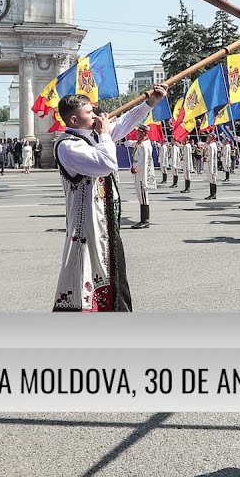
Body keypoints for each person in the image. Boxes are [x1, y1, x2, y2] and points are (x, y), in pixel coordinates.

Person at [52, 84, 167, 312]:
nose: (95, 115)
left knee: (115, 275)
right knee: (85, 276)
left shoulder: (94, 137)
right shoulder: (68, 146)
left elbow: (124, 123)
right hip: (87, 229)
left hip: (106, 223)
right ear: (74, 120)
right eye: (89, 112)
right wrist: (105, 134)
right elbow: (106, 164)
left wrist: (150, 102)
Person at [129, 126, 153, 229]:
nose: (137, 135)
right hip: (138, 174)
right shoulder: (140, 144)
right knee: (141, 197)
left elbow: (143, 161)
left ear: (144, 134)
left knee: (143, 197)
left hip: (141, 174)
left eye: (139, 133)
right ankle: (143, 220)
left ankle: (145, 220)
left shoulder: (143, 145)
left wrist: (136, 169)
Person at [203, 133, 220, 200]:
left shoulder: (212, 145)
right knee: (210, 179)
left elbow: (212, 157)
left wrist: (207, 159)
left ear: (212, 138)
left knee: (213, 179)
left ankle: (213, 194)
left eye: (209, 137)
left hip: (211, 165)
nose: (207, 137)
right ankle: (211, 193)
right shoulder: (209, 145)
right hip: (208, 164)